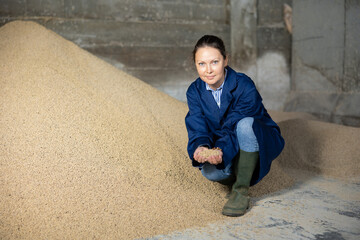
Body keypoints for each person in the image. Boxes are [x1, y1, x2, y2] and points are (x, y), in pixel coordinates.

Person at [185, 35, 285, 217]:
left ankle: (241, 190)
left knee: (245, 125)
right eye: (201, 64)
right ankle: (239, 171)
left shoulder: (243, 84)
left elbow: (234, 125)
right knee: (209, 173)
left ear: (225, 60)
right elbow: (196, 124)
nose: (208, 70)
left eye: (214, 62)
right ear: (195, 64)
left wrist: (220, 149)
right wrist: (202, 147)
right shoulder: (194, 91)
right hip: (225, 142)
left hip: (257, 136)